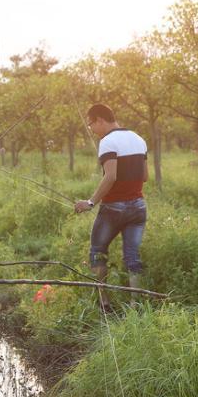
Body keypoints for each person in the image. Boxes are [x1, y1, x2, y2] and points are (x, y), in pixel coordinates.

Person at [74, 103, 148, 312]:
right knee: (132, 256)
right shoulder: (139, 139)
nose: (92, 129)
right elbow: (145, 176)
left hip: (114, 208)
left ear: (100, 119)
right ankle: (136, 305)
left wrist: (90, 203)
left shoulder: (107, 142)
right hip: (139, 207)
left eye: (91, 125)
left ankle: (104, 303)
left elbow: (111, 176)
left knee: (98, 252)